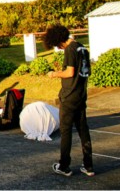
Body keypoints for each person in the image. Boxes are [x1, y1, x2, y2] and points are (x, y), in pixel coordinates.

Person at [43, 24, 95, 177]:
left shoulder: (70, 49)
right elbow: (85, 72)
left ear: (58, 40)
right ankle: (88, 166)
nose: (57, 47)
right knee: (83, 130)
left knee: (66, 132)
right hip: (80, 95)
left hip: (69, 96)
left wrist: (54, 74)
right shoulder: (82, 48)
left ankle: (64, 166)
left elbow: (70, 72)